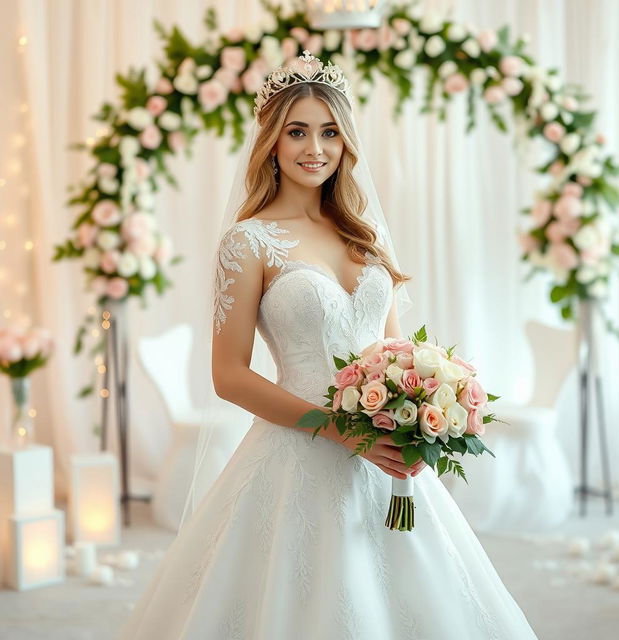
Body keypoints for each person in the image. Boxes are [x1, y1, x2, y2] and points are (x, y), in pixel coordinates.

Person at [117, 51, 539, 639]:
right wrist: (339, 428)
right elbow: (229, 376)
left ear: (345, 144)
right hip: (298, 452)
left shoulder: (363, 238)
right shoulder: (249, 243)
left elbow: (396, 353)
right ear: (271, 141)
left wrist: (417, 417)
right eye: (297, 131)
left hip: (383, 454)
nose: (315, 147)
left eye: (329, 132)